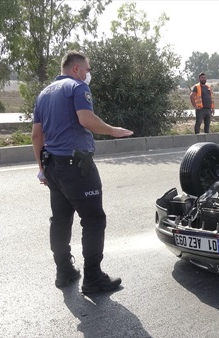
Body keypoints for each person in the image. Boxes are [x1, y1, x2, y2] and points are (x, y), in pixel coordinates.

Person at [31, 50, 134, 293]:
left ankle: (64, 271)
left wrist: (42, 170)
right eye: (87, 69)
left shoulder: (44, 94)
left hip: (53, 167)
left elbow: (37, 135)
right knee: (94, 220)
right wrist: (112, 130)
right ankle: (93, 278)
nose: (88, 74)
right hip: (76, 166)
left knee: (60, 220)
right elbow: (86, 119)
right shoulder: (77, 87)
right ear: (76, 69)